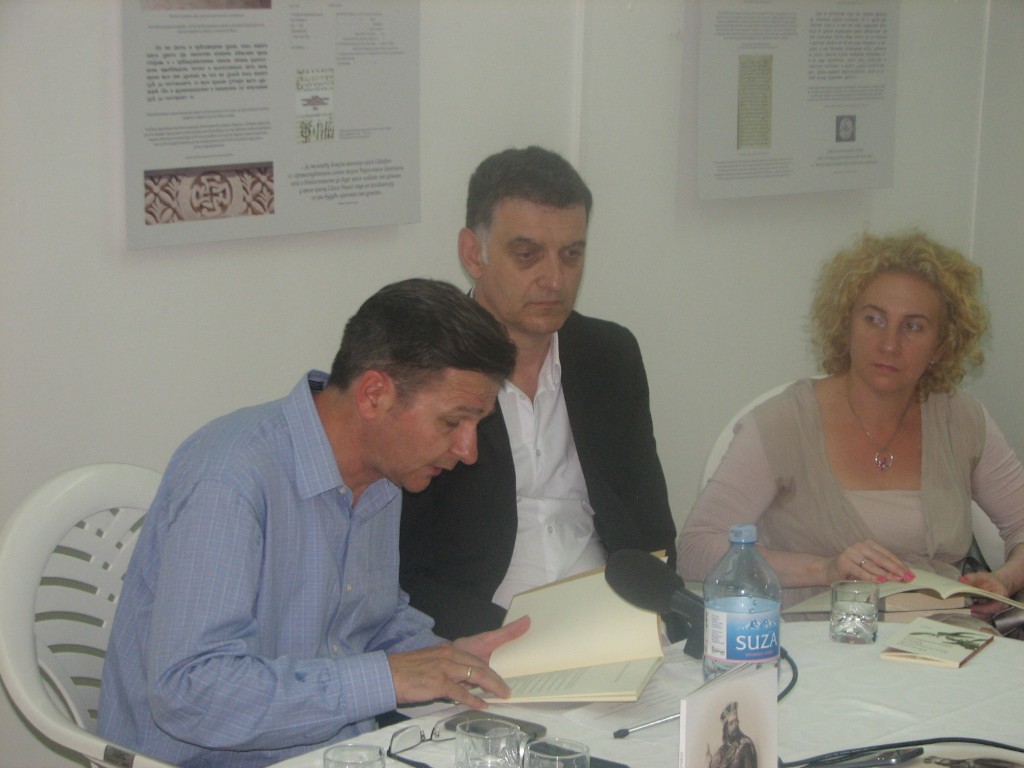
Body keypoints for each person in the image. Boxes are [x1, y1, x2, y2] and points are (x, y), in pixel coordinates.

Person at [98, 279, 529, 768]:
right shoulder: (229, 480)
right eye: (453, 422)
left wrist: (450, 659)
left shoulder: (382, 476)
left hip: (341, 753)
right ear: (374, 395)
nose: (468, 451)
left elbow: (369, 621)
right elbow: (190, 692)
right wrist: (388, 678)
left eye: (477, 425)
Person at [399, 147, 676, 639]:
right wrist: (520, 639)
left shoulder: (608, 355)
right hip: (481, 634)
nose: (554, 279)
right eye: (527, 255)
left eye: (572, 255)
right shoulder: (423, 365)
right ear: (473, 254)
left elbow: (650, 525)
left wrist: (647, 620)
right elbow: (403, 571)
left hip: (610, 622)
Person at [678, 231, 1024, 615]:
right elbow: (695, 549)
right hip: (817, 638)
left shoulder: (961, 420)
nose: (889, 344)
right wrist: (825, 569)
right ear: (846, 326)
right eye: (874, 319)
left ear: (941, 346)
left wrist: (1005, 580)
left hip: (942, 635)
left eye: (913, 327)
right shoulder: (784, 422)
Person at [706, 701, 757, 768]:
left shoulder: (745, 746)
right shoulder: (722, 750)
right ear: (726, 728)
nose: (735, 725)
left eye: (736, 721)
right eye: (731, 723)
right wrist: (709, 763)